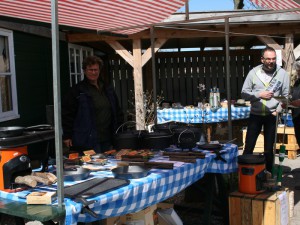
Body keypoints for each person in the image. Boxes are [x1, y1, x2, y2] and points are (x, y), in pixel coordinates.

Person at [241, 46, 290, 172]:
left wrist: (277, 110)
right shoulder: (253, 72)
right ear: (262, 59)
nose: (271, 61)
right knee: (249, 147)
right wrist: (259, 95)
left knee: (269, 149)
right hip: (255, 114)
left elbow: (285, 96)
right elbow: (244, 93)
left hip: (272, 115)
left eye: (273, 59)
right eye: (268, 59)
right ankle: (244, 174)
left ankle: (268, 176)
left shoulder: (282, 74)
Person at [62, 55, 124, 153]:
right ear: (84, 71)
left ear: (99, 70)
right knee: (92, 166)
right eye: (90, 70)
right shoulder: (77, 91)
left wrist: (120, 132)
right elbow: (68, 115)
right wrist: (67, 136)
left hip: (107, 138)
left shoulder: (108, 89)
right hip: (87, 139)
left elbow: (117, 111)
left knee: (109, 164)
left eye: (96, 70)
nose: (93, 72)